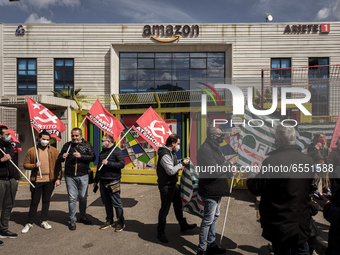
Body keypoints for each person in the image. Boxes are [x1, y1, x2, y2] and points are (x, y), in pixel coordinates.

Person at [247, 125, 314, 255]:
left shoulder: (272, 161)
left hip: (280, 223)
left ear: (279, 141)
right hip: (301, 222)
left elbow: (257, 188)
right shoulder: (308, 161)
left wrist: (250, 180)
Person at [196, 126, 238, 255]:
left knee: (214, 217)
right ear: (212, 135)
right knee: (208, 219)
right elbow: (214, 170)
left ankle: (212, 245)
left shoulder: (215, 147)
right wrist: (230, 164)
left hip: (217, 188)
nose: (223, 136)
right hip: (210, 188)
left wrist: (230, 172)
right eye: (220, 134)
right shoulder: (205, 149)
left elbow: (220, 165)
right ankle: (201, 249)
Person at [156, 134, 197, 243]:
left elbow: (173, 163)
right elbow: (171, 171)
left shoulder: (171, 153)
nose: (178, 146)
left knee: (178, 206)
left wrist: (181, 161)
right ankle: (160, 232)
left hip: (173, 185)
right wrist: (182, 164)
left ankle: (183, 225)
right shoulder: (164, 154)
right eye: (178, 144)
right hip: (166, 187)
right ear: (173, 143)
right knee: (164, 210)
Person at [21, 130, 62, 233]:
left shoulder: (54, 150)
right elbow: (25, 165)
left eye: (47, 140)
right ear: (38, 139)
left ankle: (44, 220)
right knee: (34, 202)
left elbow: (58, 166)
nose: (45, 141)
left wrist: (58, 178)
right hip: (37, 180)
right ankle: (29, 222)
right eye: (43, 139)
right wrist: (34, 166)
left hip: (49, 181)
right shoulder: (32, 150)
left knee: (46, 201)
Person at [58, 128, 96, 230]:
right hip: (70, 175)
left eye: (76, 136)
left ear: (81, 136)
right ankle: (72, 219)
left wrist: (81, 156)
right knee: (72, 198)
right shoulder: (67, 145)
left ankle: (83, 217)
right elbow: (59, 158)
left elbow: (93, 157)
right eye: (73, 136)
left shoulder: (87, 145)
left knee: (83, 197)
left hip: (83, 175)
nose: (74, 138)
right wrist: (63, 156)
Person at [93, 134, 125, 232]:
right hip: (103, 181)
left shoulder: (117, 151)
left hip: (113, 181)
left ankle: (120, 222)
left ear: (109, 141)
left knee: (116, 203)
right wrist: (96, 180)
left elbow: (121, 164)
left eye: (103, 141)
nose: (101, 143)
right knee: (106, 202)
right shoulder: (103, 152)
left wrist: (109, 163)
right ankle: (109, 220)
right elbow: (99, 167)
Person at [0, 125, 19, 245]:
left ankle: (3, 229)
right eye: (6, 134)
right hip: (0, 180)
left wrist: (16, 178)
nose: (9, 136)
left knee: (8, 205)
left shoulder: (9, 146)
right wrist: (1, 160)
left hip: (11, 180)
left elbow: (15, 162)